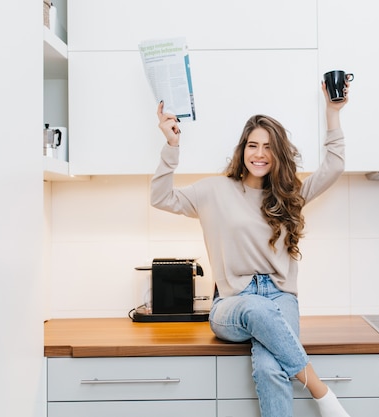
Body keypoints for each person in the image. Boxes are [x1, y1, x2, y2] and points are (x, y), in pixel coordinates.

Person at [150, 81, 350, 417]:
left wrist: (333, 113)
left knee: (271, 369)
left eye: (268, 147)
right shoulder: (214, 190)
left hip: (281, 298)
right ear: (242, 150)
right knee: (257, 310)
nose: (259, 154)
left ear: (278, 153)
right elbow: (160, 197)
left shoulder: (289, 195)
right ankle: (322, 393)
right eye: (253, 145)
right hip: (233, 303)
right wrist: (171, 145)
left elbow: (334, 166)